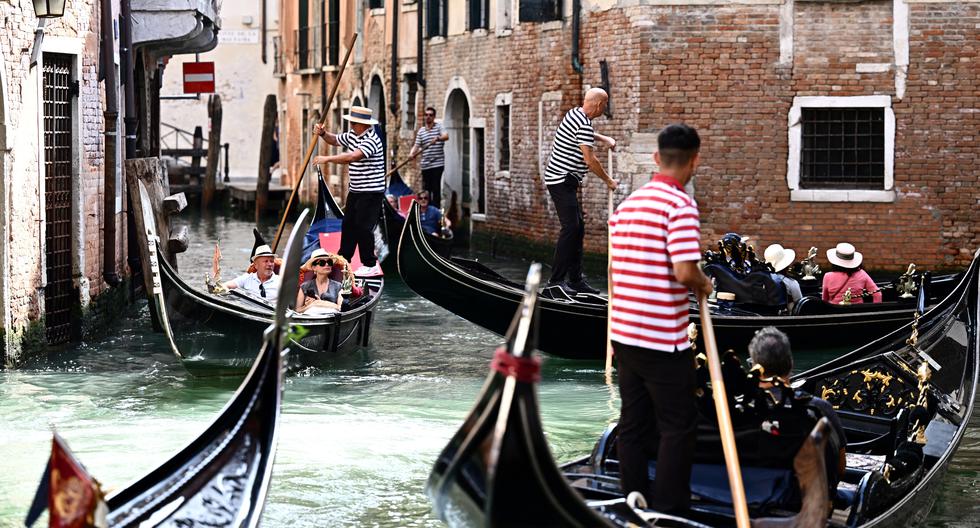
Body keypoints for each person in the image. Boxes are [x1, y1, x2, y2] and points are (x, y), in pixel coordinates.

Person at [608, 123, 712, 513]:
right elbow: (685, 271)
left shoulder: (627, 206)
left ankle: (632, 500)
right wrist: (705, 284)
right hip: (661, 339)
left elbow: (617, 273)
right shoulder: (680, 205)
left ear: (657, 159)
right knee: (678, 426)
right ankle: (670, 512)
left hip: (623, 334)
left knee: (632, 424)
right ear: (694, 161)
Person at [747, 327, 847, 485]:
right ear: (791, 364)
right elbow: (840, 469)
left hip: (756, 494)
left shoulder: (741, 409)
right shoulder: (820, 409)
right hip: (807, 501)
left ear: (754, 367)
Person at [543, 87, 618, 295]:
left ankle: (575, 280)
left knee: (578, 228)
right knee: (571, 228)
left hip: (561, 179)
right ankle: (555, 282)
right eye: (605, 104)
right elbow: (590, 160)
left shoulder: (575, 114)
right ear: (599, 105)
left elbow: (585, 133)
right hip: (560, 180)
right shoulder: (583, 123)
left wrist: (604, 139)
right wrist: (608, 181)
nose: (604, 108)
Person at [312, 106, 386, 276]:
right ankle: (344, 259)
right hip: (356, 190)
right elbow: (335, 140)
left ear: (364, 124)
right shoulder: (354, 134)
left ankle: (370, 264)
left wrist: (327, 159)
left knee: (363, 227)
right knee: (348, 225)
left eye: (354, 122)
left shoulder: (372, 139)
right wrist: (323, 134)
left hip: (371, 192)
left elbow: (353, 157)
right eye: (351, 121)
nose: (351, 125)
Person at [409, 107, 449, 208]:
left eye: (430, 115)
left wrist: (438, 138)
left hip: (437, 164)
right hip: (425, 165)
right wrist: (411, 154)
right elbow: (416, 145)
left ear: (434, 117)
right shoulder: (421, 131)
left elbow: (446, 136)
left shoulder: (439, 127)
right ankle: (427, 211)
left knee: (436, 189)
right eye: (426, 115)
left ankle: (436, 212)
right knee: (427, 190)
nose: (428, 117)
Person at [295, 249, 344, 316]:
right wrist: (311, 305)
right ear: (314, 268)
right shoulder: (304, 286)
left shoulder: (338, 286)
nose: (327, 264)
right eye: (322, 263)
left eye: (329, 262)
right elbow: (297, 311)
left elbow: (341, 308)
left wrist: (319, 302)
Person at [764, 243, 803, 309]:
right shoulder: (792, 283)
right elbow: (800, 305)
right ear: (786, 265)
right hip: (787, 318)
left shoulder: (762, 280)